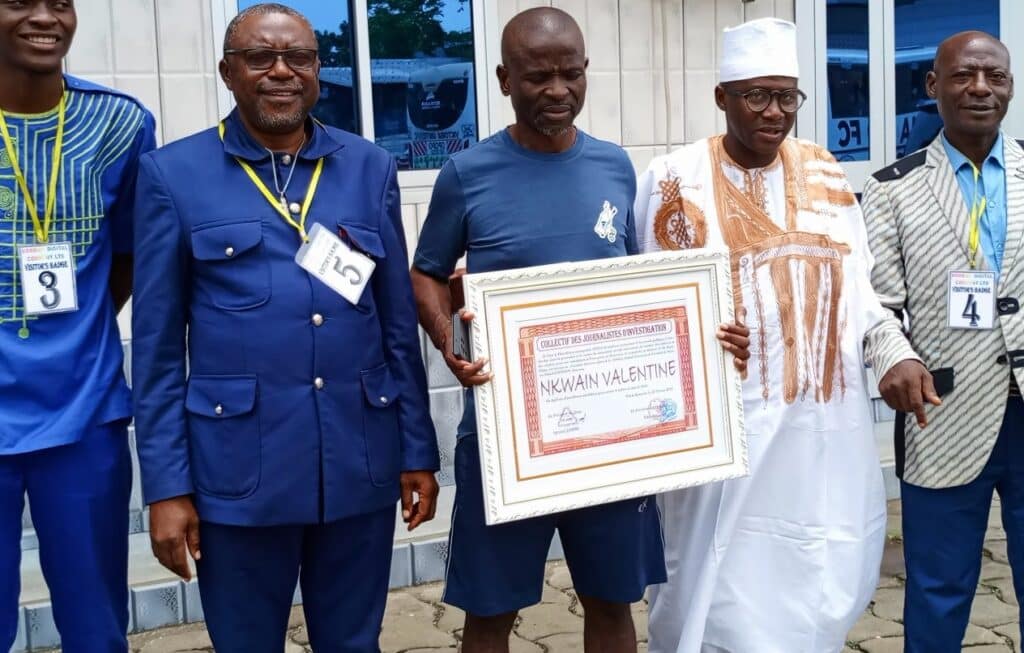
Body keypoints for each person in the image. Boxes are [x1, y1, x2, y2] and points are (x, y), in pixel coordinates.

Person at [411, 8, 749, 653]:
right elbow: (425, 273)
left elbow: (648, 290)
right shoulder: (466, 174)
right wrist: (451, 344)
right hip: (506, 437)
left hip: (609, 435)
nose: (558, 90)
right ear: (505, 80)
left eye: (570, 73)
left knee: (612, 599)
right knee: (490, 610)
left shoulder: (615, 167)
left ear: (586, 70)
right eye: (538, 77)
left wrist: (710, 335)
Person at [130, 4, 439, 651]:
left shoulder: (368, 167)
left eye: (298, 57)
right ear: (228, 72)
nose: (281, 71)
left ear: (318, 71)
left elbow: (394, 323)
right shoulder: (173, 175)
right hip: (238, 473)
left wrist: (416, 451)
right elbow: (156, 354)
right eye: (259, 57)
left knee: (353, 643)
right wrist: (166, 488)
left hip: (357, 460)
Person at [634, 17, 906, 653]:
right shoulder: (674, 177)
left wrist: (896, 353)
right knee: (714, 587)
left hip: (818, 433)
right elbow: (650, 301)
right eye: (756, 95)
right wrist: (698, 335)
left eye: (787, 96)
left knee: (811, 576)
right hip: (723, 433)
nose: (774, 112)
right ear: (722, 96)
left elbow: (861, 291)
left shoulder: (824, 170)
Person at [0, 0, 156, 649]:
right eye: (19, 1)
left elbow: (129, 255)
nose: (44, 17)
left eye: (60, 2)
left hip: (83, 415)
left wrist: (77, 330)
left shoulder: (121, 124)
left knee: (96, 628)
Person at [862, 31, 1024, 652]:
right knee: (938, 588)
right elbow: (876, 305)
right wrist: (896, 356)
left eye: (994, 76)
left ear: (1009, 87)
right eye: (963, 75)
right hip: (942, 413)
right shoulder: (893, 189)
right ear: (933, 86)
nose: (980, 88)